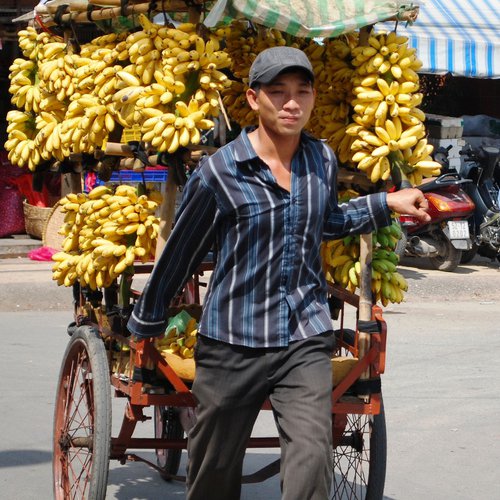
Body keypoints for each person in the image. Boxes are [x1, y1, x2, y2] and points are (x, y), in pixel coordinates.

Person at [127, 46, 430, 499]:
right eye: (278, 92)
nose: (292, 103)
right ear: (253, 99)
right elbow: (181, 254)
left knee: (311, 459)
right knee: (214, 471)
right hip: (233, 338)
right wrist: (147, 320)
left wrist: (386, 203)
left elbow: (326, 222)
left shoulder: (320, 160)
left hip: (304, 335)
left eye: (302, 92)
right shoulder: (219, 172)